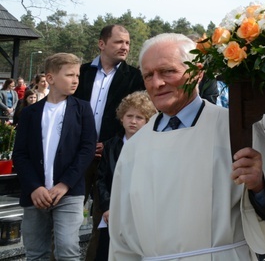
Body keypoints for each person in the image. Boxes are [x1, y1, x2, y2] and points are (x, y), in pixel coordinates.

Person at [108, 33, 265, 259]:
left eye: (167, 71)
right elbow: (121, 231)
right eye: (148, 75)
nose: (157, 83)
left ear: (197, 71)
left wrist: (260, 185)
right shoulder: (135, 146)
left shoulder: (235, 129)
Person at [12, 53, 97, 261]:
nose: (76, 80)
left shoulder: (83, 109)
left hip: (69, 194)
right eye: (69, 75)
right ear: (50, 78)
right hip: (35, 195)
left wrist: (64, 184)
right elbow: (20, 154)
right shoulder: (30, 113)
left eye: (77, 75)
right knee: (35, 253)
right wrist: (34, 186)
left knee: (68, 251)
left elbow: (87, 149)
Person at [73, 24, 146, 260]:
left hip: (113, 156)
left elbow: (138, 113)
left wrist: (111, 142)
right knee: (67, 218)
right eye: (119, 42)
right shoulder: (80, 73)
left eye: (127, 43)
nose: (125, 47)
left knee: (104, 220)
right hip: (77, 157)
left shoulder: (135, 77)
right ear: (102, 44)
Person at [94, 91, 157, 261]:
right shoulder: (110, 146)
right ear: (121, 117)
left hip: (141, 212)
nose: (133, 121)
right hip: (113, 211)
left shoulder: (154, 147)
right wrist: (107, 207)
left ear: (148, 121)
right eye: (129, 116)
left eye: (139, 117)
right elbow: (101, 179)